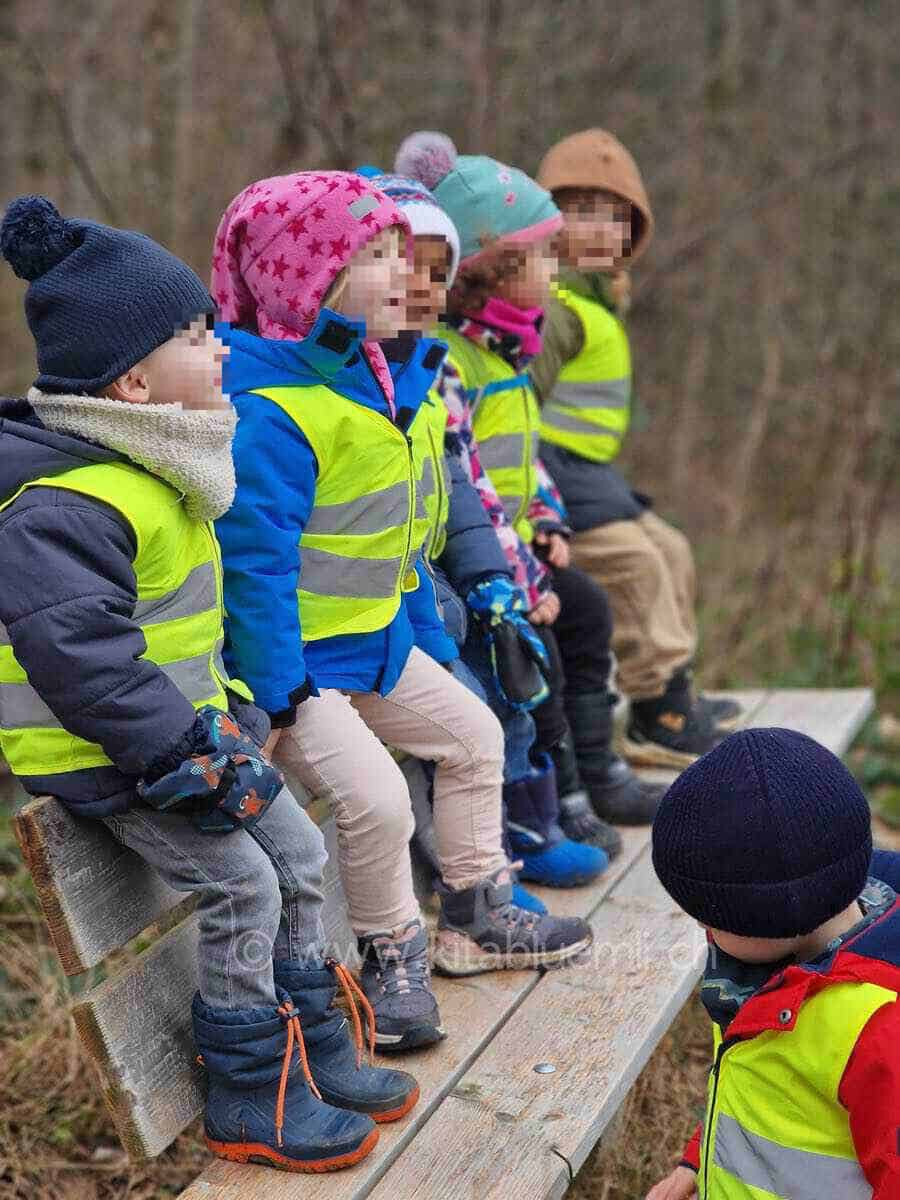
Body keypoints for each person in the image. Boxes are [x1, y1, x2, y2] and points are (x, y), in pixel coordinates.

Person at [0, 196, 415, 1173]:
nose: (222, 344)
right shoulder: (64, 503)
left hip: (177, 743)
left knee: (300, 850)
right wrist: (186, 749)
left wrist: (224, 714)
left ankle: (313, 1056)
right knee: (241, 885)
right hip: (105, 758)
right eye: (196, 334)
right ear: (136, 382)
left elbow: (181, 634)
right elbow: (87, 659)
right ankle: (246, 1094)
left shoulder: (160, 473)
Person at [210, 171, 592, 1053]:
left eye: (402, 256)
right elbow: (255, 570)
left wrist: (428, 644)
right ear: (309, 283)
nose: (403, 277)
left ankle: (475, 913)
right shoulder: (275, 410)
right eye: (377, 257)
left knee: (474, 738)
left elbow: (402, 543)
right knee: (379, 801)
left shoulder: (393, 384)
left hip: (376, 646)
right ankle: (391, 959)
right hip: (296, 670)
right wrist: (278, 695)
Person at [396, 132, 664, 838]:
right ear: (489, 271)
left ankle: (598, 768)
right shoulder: (453, 358)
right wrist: (519, 574)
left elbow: (525, 457)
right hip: (473, 559)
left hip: (513, 544)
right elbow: (466, 478)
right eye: (541, 255)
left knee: (588, 610)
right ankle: (560, 796)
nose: (556, 268)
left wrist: (547, 518)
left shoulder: (506, 348)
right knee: (538, 645)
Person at [357, 167, 610, 903]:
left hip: (483, 567)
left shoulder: (457, 365)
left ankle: (546, 815)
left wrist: (538, 537)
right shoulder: (443, 366)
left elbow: (492, 474)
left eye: (434, 274)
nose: (422, 292)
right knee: (497, 682)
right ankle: (502, 847)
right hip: (412, 592)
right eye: (408, 273)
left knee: (532, 654)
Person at [533, 130, 741, 771]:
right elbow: (514, 409)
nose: (599, 229)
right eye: (581, 210)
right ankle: (656, 709)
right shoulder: (556, 304)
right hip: (551, 475)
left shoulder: (599, 300)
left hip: (592, 475)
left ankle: (675, 688)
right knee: (638, 564)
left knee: (672, 549)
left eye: (615, 216)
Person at [649, 727, 900, 1199]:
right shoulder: (749, 977)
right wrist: (699, 1158)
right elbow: (755, 1084)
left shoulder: (877, 1025)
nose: (705, 928)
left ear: (768, 918)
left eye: (711, 915)